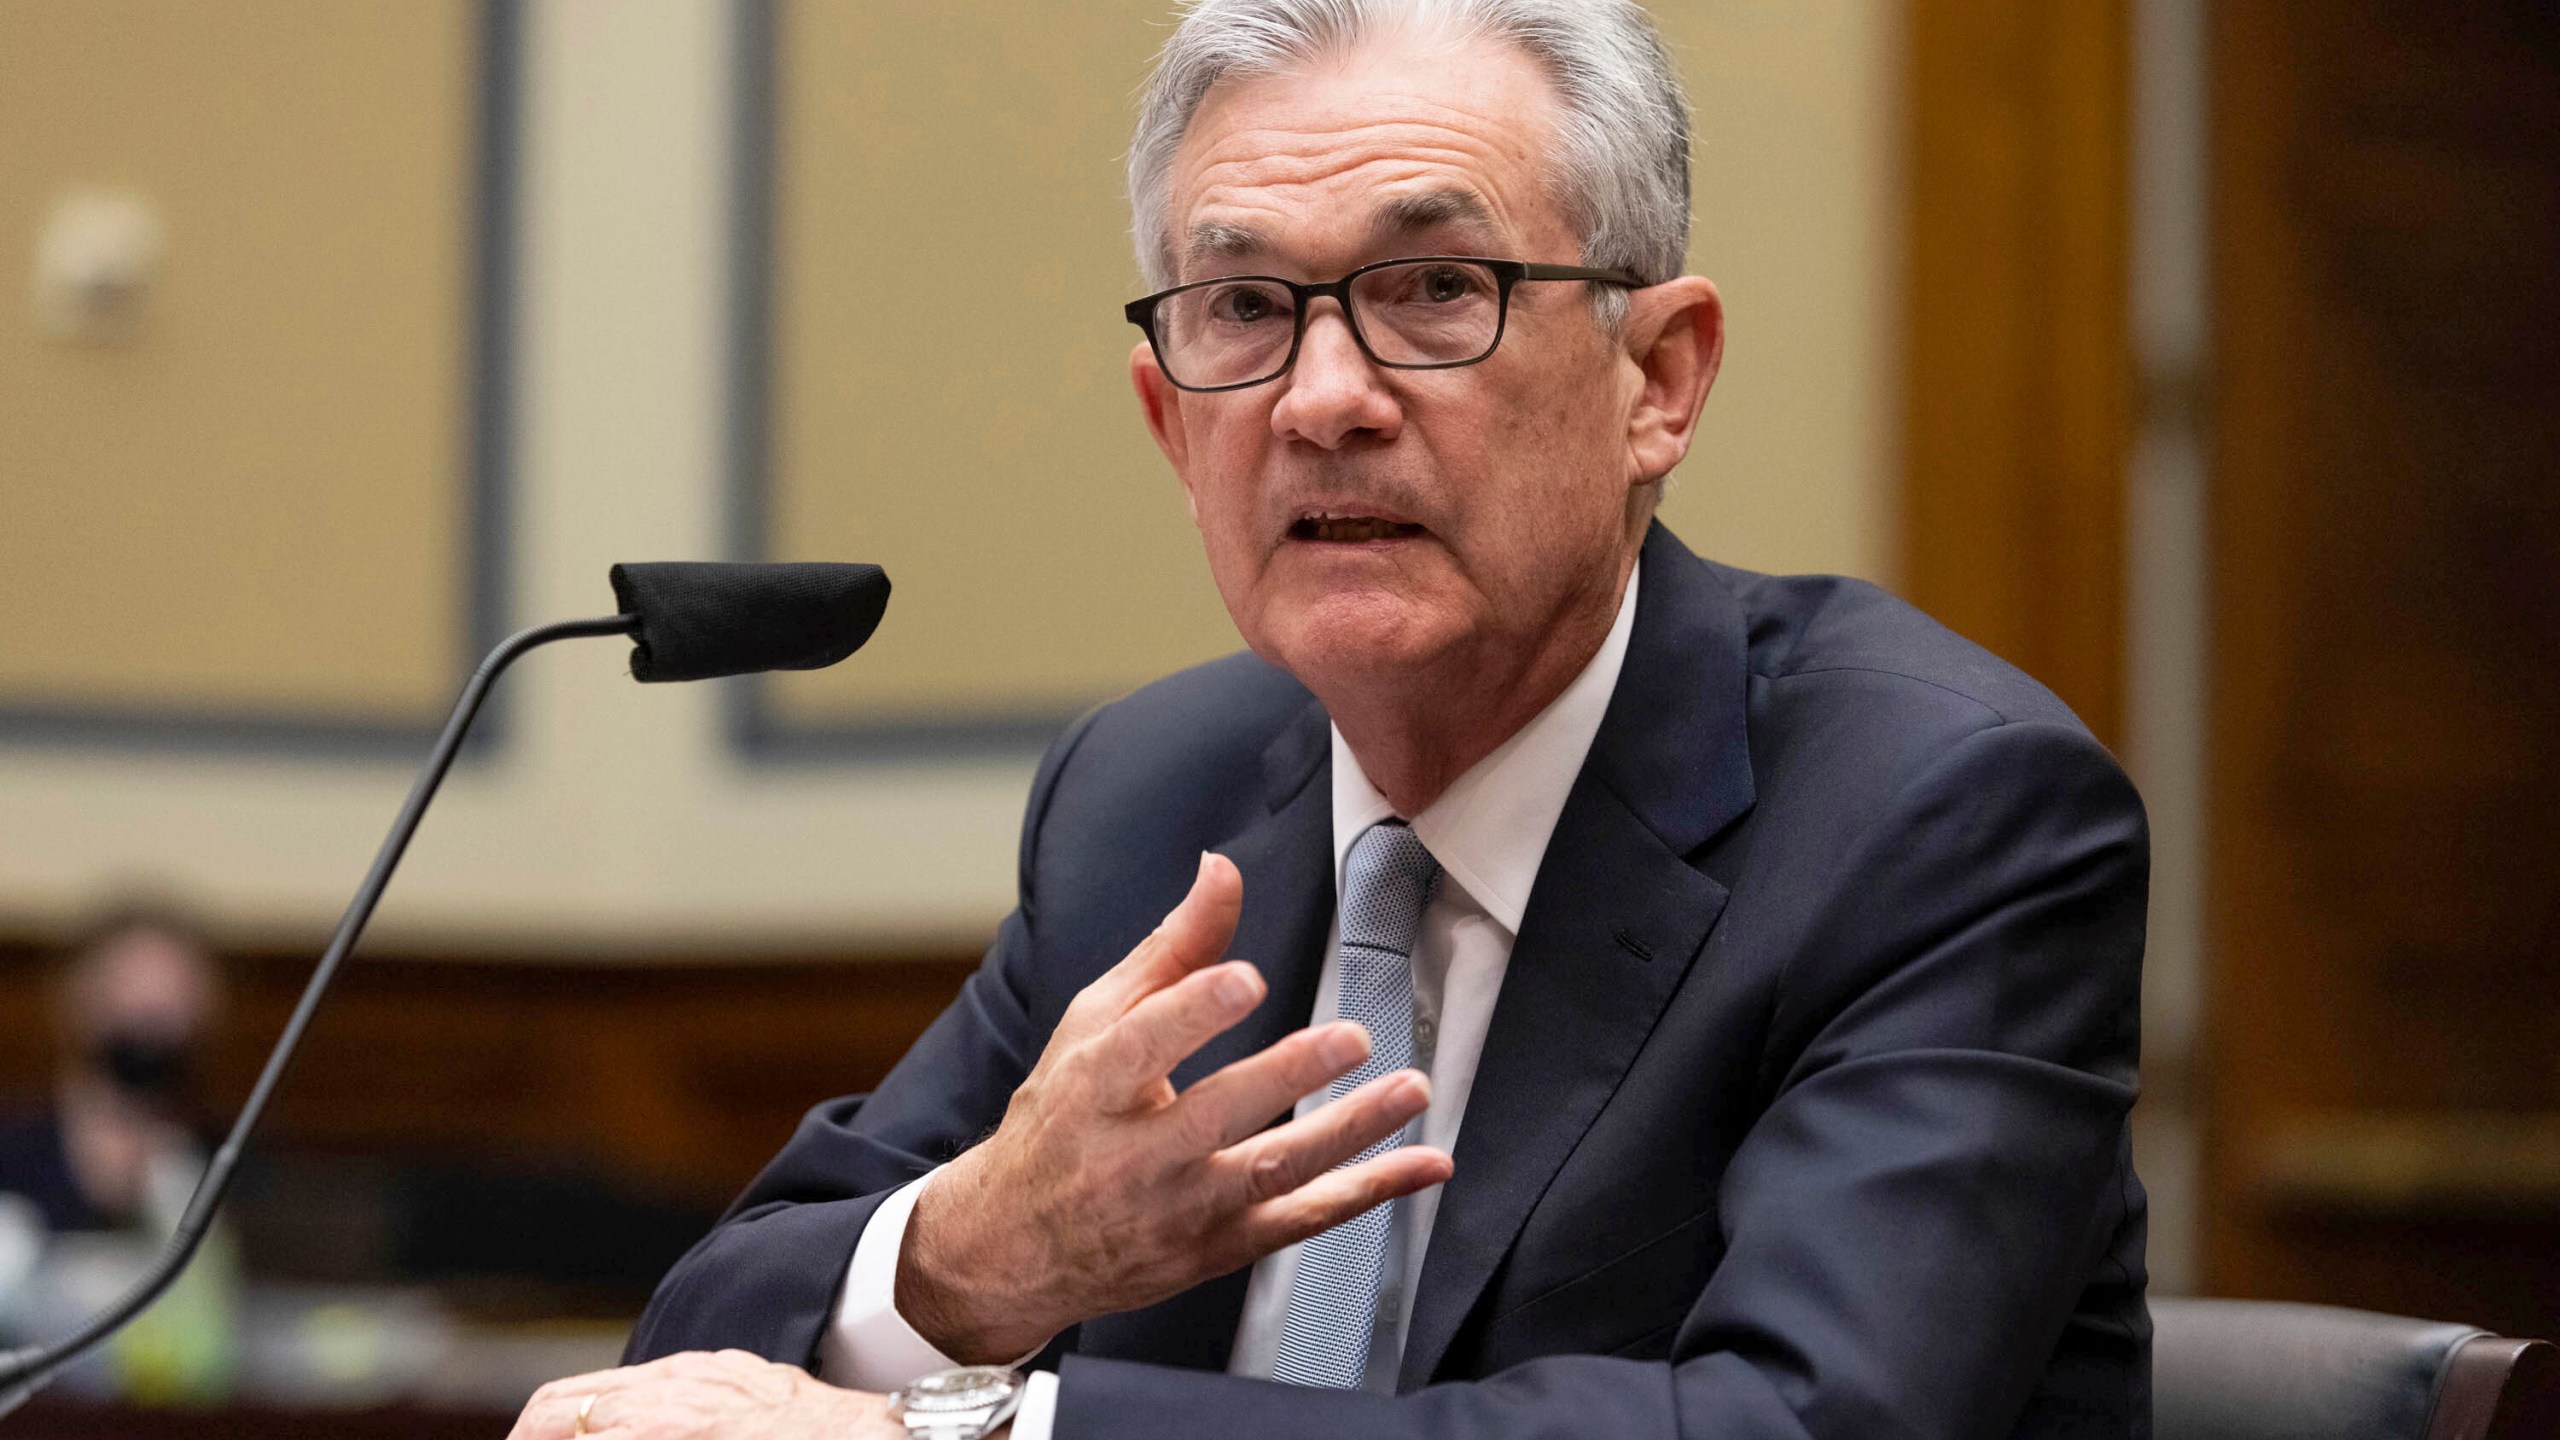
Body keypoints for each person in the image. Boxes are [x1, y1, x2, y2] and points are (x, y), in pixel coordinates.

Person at [510, 1, 2149, 1436]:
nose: (1321, 399)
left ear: (1659, 376)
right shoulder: (1156, 796)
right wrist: (975, 1258)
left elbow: (1789, 1427)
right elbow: (695, 1363)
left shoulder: (1940, 816)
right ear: (1169, 425)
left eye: (1436, 287)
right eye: (1243, 310)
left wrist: (995, 1433)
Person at [0, 904, 224, 1237]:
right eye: (129, 984)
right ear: (76, 994)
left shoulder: (227, 1165)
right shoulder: (12, 1155)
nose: (151, 1011)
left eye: (174, 993)